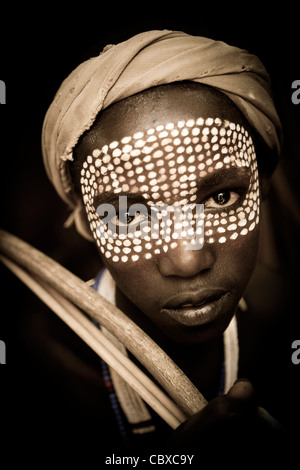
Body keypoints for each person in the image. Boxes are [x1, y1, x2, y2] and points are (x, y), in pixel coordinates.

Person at [40, 30, 296, 461]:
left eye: (221, 197)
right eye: (128, 215)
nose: (188, 259)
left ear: (263, 184)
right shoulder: (47, 362)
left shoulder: (284, 317)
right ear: (87, 224)